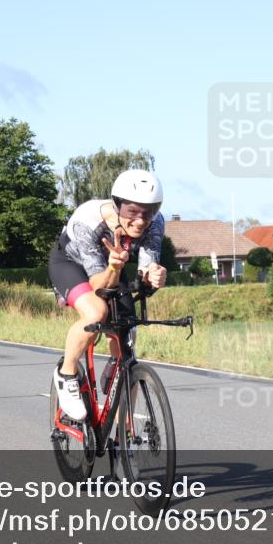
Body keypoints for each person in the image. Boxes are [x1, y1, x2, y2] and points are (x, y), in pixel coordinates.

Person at [48, 169, 167, 421]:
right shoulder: (87, 221)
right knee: (96, 312)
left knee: (127, 336)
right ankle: (67, 373)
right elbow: (98, 285)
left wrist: (153, 276)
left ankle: (125, 439)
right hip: (72, 264)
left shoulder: (156, 223)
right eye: (132, 212)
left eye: (149, 211)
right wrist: (113, 267)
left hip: (114, 265)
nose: (140, 220)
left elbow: (146, 267)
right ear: (117, 205)